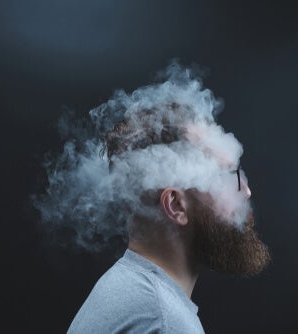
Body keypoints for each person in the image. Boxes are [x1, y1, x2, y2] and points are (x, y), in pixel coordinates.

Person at [66, 103, 271, 334]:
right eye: (228, 176)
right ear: (175, 205)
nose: (245, 191)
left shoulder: (122, 288)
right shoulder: (163, 321)